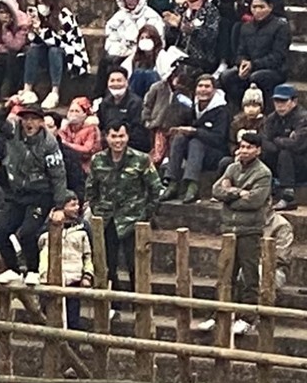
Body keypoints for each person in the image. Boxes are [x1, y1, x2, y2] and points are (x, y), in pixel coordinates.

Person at [0, 98, 66, 282]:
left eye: (33, 119)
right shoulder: (13, 131)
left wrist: (60, 206)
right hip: (16, 192)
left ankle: (33, 270)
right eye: (26, 118)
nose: (29, 123)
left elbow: (58, 174)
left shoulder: (49, 143)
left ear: (41, 122)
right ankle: (13, 269)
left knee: (27, 233)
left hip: (40, 195)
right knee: (0, 232)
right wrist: (8, 105)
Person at [83, 121, 161, 295]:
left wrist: (146, 213)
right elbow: (91, 188)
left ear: (127, 137)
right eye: (113, 136)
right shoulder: (98, 160)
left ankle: (138, 303)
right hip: (107, 219)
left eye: (121, 136)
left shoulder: (141, 159)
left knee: (136, 264)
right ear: (106, 138)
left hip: (134, 219)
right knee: (108, 264)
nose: (117, 141)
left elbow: (156, 189)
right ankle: (113, 304)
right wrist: (97, 209)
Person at [211, 130, 271, 334]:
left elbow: (255, 200)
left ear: (258, 150)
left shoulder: (263, 173)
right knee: (226, 272)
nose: (244, 151)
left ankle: (247, 317)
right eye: (242, 146)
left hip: (249, 229)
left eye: (249, 147)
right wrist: (238, 192)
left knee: (249, 274)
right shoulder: (231, 167)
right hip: (229, 228)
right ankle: (220, 312)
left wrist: (230, 194)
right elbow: (216, 191)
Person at [163, 72, 230, 202]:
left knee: (196, 142)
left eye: (207, 86)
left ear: (214, 90)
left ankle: (192, 186)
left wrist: (195, 131)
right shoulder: (193, 106)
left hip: (214, 154)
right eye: (200, 86)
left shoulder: (222, 111)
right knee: (180, 138)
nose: (203, 90)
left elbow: (219, 139)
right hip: (195, 154)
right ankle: (172, 182)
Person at [34, 192, 92, 327]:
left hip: (73, 278)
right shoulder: (46, 229)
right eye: (72, 205)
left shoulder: (83, 228)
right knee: (48, 316)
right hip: (49, 277)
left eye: (78, 204)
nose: (76, 208)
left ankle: (72, 347)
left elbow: (89, 254)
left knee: (72, 320)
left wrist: (88, 275)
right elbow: (39, 245)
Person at [257, 81, 304, 209]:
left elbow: (298, 144)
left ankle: (288, 196)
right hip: (276, 160)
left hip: (301, 163)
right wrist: (282, 141)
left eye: (283, 101)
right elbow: (265, 141)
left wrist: (276, 140)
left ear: (294, 102)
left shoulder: (302, 118)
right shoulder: (271, 119)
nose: (279, 105)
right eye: (277, 101)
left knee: (286, 153)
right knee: (259, 152)